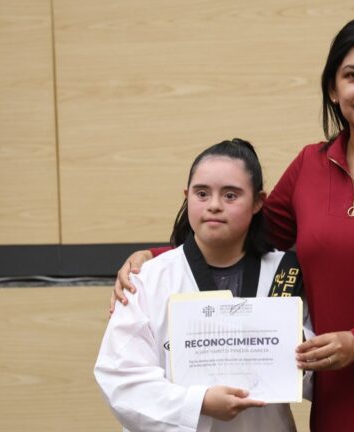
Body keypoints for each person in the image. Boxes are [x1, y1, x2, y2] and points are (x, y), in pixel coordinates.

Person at [112, 14, 354, 432]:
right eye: (352, 75)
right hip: (343, 395)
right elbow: (247, 230)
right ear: (333, 87)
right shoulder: (311, 165)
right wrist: (156, 259)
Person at [95, 138, 311, 432]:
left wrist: (296, 348)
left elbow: (318, 378)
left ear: (259, 202)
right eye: (201, 193)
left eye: (231, 195)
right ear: (187, 196)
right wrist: (198, 403)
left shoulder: (287, 275)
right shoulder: (148, 279)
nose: (214, 206)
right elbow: (120, 380)